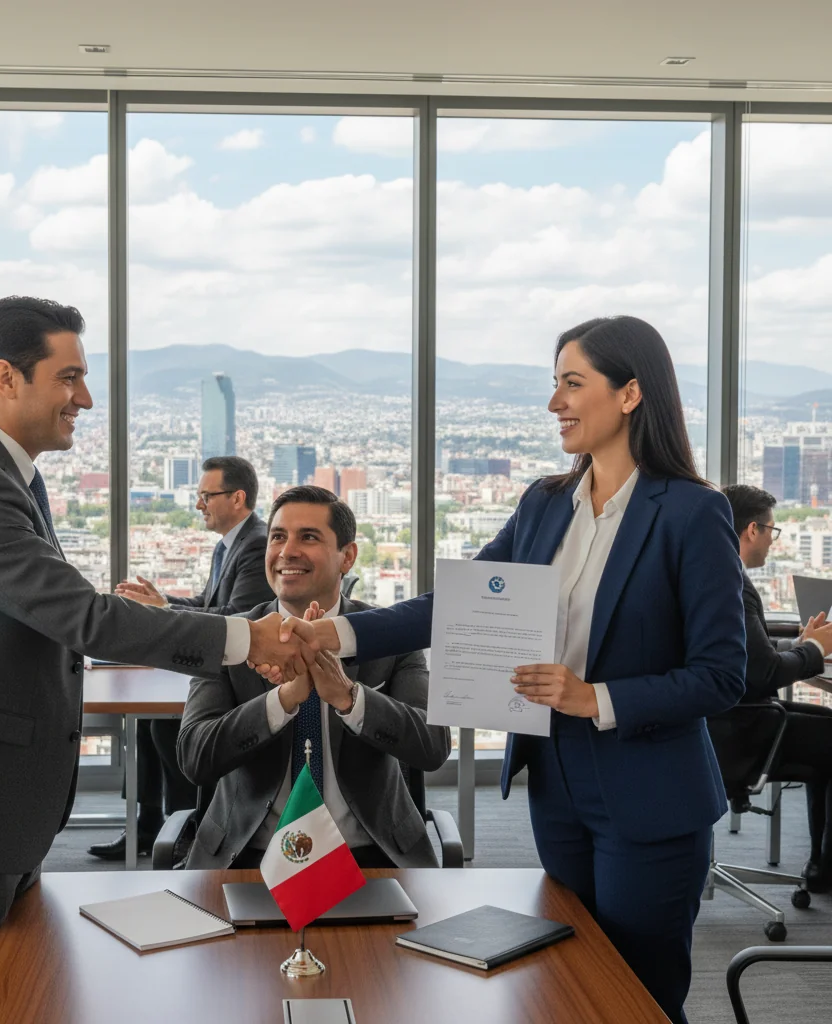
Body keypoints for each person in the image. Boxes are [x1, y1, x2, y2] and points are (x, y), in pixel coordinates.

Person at [265, 316, 746, 1024]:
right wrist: (328, 633)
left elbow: (722, 674)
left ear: (631, 394)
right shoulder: (546, 504)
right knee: (568, 979)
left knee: (637, 992)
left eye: (572, 384)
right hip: (557, 778)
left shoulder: (692, 513)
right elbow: (449, 607)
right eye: (554, 384)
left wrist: (597, 697)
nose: (555, 402)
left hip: (649, 790)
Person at [0, 295, 311, 1024]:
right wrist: (243, 639)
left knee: (3, 1003)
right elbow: (81, 617)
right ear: (6, 377)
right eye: (69, 378)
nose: (85, 399)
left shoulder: (8, 478)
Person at [174, 485, 450, 869]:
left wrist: (349, 698)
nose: (288, 552)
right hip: (249, 856)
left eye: (308, 537)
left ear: (347, 557)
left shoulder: (390, 637)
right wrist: (282, 700)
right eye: (278, 537)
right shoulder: (230, 637)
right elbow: (195, 757)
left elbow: (433, 746)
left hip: (370, 855)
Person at [89, 456, 274, 860]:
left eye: (207, 496)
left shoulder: (256, 543)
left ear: (238, 498)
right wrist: (165, 603)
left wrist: (166, 614)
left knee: (164, 729)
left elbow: (237, 619)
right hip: (217, 660)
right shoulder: (230, 545)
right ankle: (149, 822)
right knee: (149, 725)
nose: (198, 505)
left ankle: (188, 826)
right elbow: (209, 604)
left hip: (240, 675)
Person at [722, 483, 832, 891]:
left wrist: (802, 647)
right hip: (743, 730)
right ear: (752, 530)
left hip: (724, 719)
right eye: (773, 531)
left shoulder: (714, 576)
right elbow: (764, 674)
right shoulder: (735, 587)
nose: (773, 540)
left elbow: (748, 654)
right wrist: (817, 650)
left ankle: (822, 865)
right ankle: (824, 867)